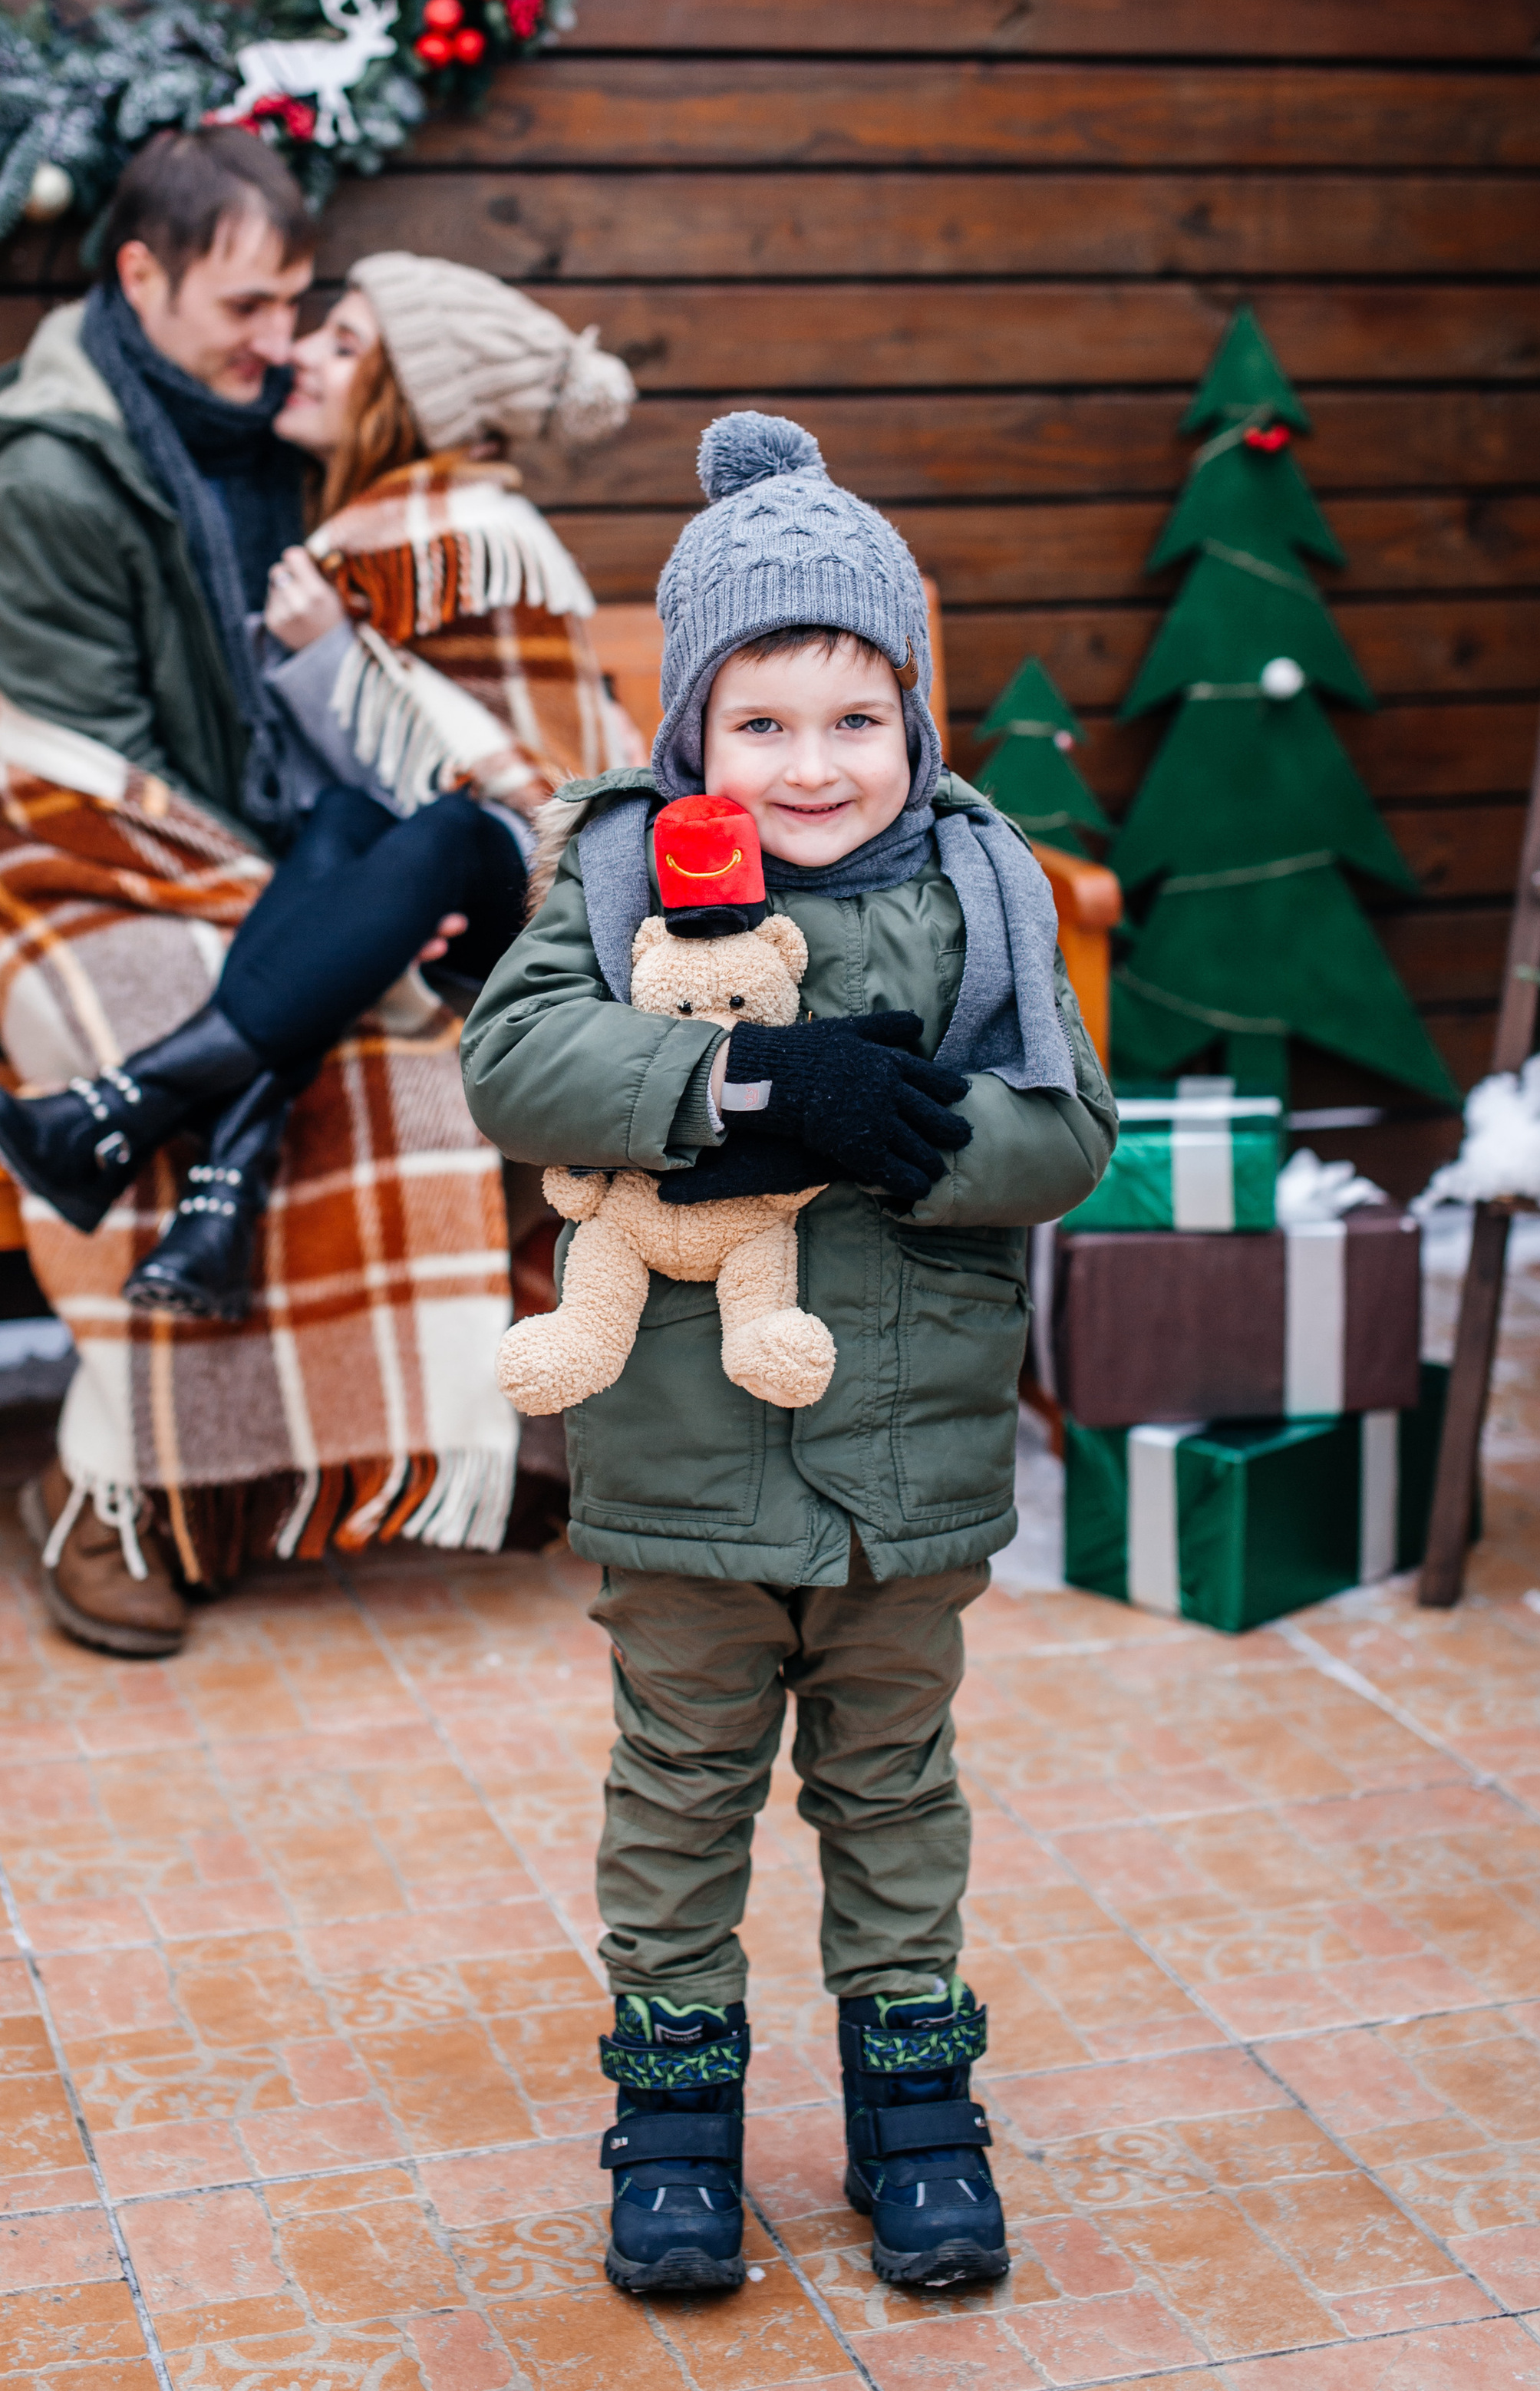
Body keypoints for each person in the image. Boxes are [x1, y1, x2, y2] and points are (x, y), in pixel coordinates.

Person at [460, 414, 1115, 2300]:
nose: (813, 763)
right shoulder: (609, 872)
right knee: (679, 1785)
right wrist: (745, 1078)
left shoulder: (981, 886)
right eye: (761, 723)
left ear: (911, 718)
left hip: (906, 1460)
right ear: (689, 733)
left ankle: (916, 2119)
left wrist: (896, 1133)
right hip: (679, 1460)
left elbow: (1065, 1129)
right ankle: (670, 2125)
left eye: (855, 718)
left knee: (893, 1781)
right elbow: (516, 1065)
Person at [0, 132, 631, 1656]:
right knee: (212, 995)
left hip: (304, 841)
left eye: (298, 316)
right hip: (99, 840)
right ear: (142, 273)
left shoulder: (287, 441)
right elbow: (94, 758)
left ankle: (271, 1473)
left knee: (403, 1034)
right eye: (251, 308)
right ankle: (112, 1494)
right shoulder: (56, 478)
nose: (276, 346)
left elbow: (449, 713)